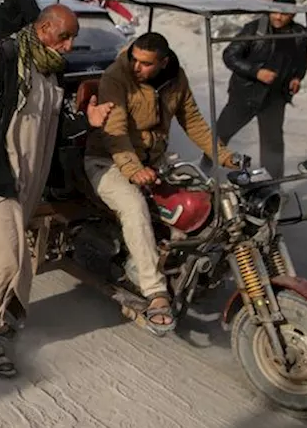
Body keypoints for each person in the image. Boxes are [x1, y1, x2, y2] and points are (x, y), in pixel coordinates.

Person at [0, 6, 112, 378]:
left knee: (23, 255)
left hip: (31, 179)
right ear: (43, 29)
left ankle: (9, 312)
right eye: (64, 37)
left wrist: (85, 122)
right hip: (0, 177)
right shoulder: (4, 59)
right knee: (6, 259)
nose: (70, 45)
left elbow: (54, 129)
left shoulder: (51, 70)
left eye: (73, 38)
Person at [85, 32, 235, 336]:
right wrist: (133, 169)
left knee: (201, 198)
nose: (137, 67)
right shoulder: (117, 77)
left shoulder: (175, 78)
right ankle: (155, 292)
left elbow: (192, 121)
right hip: (108, 161)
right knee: (134, 206)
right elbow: (114, 132)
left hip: (153, 163)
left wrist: (224, 156)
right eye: (135, 60)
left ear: (163, 62)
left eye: (146, 63)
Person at [212, 0, 307, 178]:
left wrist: (296, 77)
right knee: (221, 136)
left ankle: (271, 185)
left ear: (293, 15)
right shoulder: (255, 29)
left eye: (284, 14)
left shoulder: (298, 34)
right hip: (245, 95)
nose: (278, 17)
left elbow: (302, 61)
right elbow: (230, 55)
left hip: (274, 98)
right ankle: (204, 175)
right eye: (275, 12)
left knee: (273, 145)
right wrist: (256, 72)